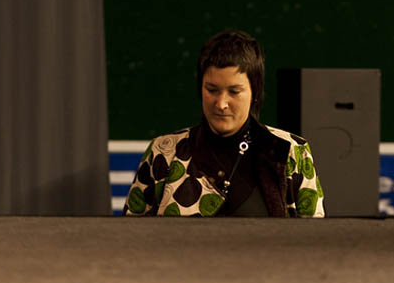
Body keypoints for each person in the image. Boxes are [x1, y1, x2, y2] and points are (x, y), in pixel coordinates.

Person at [123, 30, 325, 218]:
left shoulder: (291, 152)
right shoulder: (164, 153)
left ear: (255, 92)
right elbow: (129, 236)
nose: (221, 104)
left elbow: (316, 239)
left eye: (234, 92)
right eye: (212, 90)